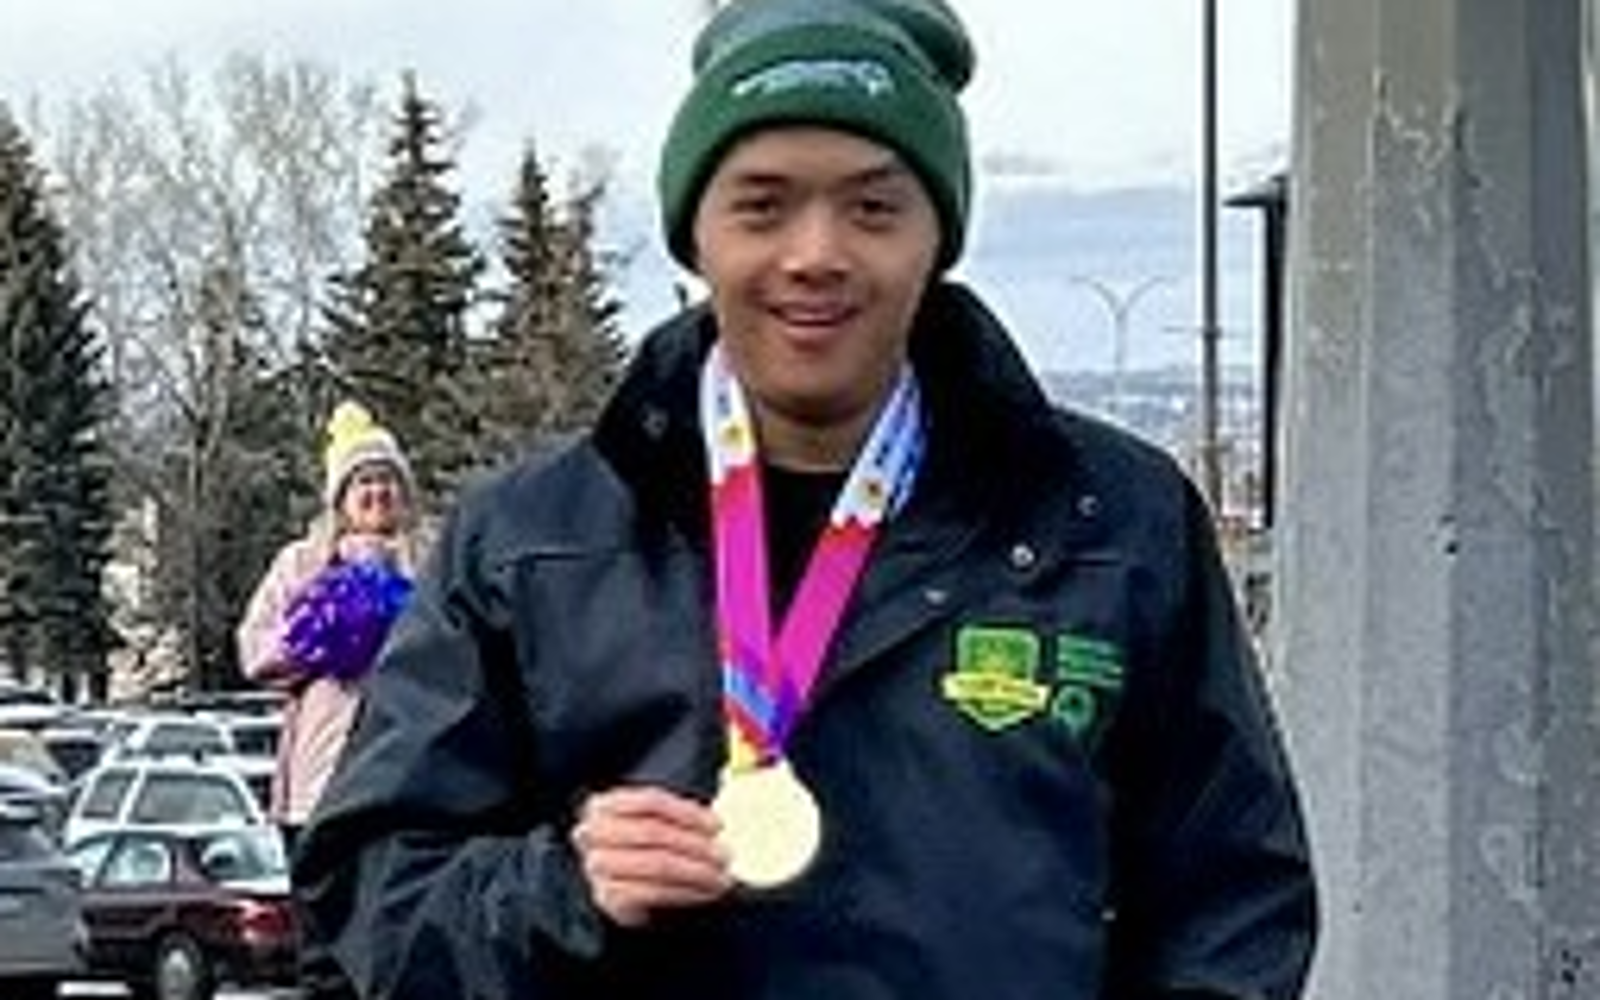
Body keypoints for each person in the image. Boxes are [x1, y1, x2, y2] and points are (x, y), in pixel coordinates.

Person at [297, 1, 1318, 997]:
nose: (816, 253)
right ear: (695, 233)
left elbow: (1235, 901)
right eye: (762, 202)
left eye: (874, 205)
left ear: (938, 234)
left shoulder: (1110, 524)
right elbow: (365, 907)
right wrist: (560, 888)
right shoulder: (530, 542)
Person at [238, 400, 425, 1000]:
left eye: (386, 481)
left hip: (406, 785)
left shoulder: (431, 560)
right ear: (339, 499)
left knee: (398, 940)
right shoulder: (301, 563)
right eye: (363, 482)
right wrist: (320, 638)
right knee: (323, 951)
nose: (376, 493)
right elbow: (255, 649)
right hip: (317, 788)